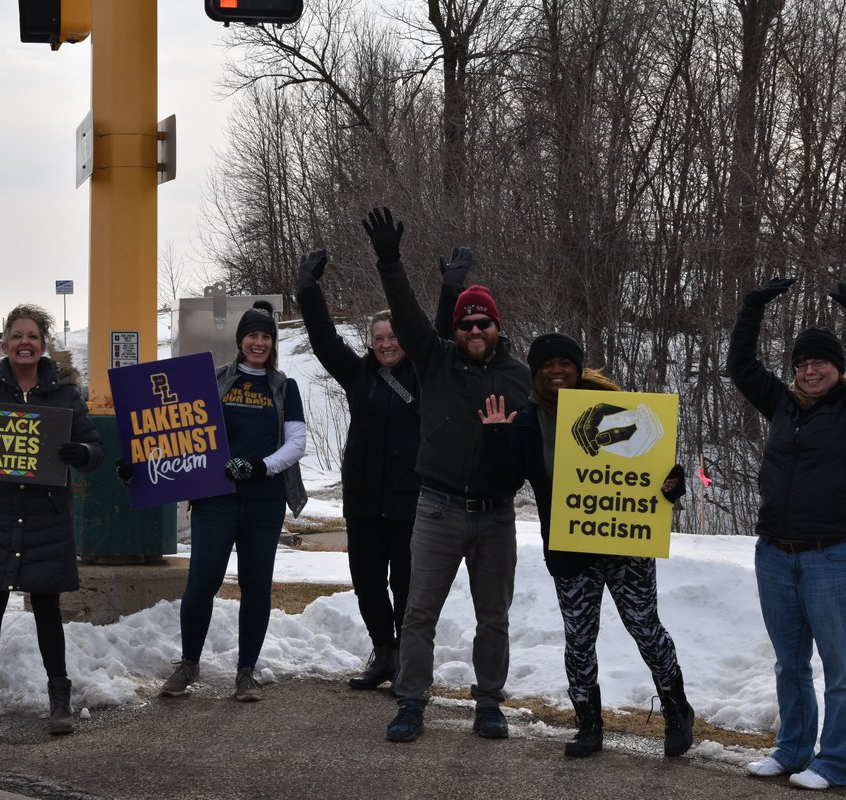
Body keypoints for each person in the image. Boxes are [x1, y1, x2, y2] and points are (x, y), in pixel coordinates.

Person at [728, 277, 846, 790]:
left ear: (837, 367)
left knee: (842, 671)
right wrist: (753, 304)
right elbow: (741, 365)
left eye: (820, 362)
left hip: (835, 557)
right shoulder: (783, 406)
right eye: (803, 363)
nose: (810, 369)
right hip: (776, 553)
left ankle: (833, 764)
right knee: (790, 665)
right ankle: (792, 751)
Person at [478, 332, 692, 758]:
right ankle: (588, 724)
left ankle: (676, 709)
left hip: (625, 544)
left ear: (578, 367)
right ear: (536, 372)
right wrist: (496, 440)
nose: (557, 371)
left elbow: (650, 472)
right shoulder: (526, 421)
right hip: (570, 549)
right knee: (579, 639)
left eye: (565, 363)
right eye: (547, 365)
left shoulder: (621, 410)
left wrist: (672, 484)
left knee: (645, 629)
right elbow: (501, 483)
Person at [361, 207, 532, 742]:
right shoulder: (435, 360)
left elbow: (563, 437)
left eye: (483, 322)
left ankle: (488, 705)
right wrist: (389, 260)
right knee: (418, 615)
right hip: (435, 508)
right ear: (455, 329)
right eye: (466, 323)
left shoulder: (519, 376)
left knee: (494, 619)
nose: (475, 329)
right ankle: (411, 701)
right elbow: (409, 314)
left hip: (496, 514)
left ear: (497, 326)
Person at [0, 304, 103, 735]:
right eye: (17, 336)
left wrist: (81, 453)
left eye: (32, 336)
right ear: (5, 344)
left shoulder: (66, 397)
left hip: (45, 519)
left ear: (43, 345)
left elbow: (95, 449)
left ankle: (59, 704)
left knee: (47, 607)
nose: (24, 343)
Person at [156, 300, 307, 702]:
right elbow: (174, 428)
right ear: (240, 341)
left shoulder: (283, 387)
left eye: (265, 337)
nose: (258, 343)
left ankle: (245, 673)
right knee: (201, 583)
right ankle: (188, 665)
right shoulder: (215, 380)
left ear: (273, 343)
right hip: (215, 499)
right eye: (251, 336)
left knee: (256, 588)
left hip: (264, 501)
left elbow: (296, 444)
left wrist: (258, 467)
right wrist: (138, 461)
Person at [295, 249, 421, 689]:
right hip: (365, 499)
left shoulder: (425, 375)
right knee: (367, 583)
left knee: (406, 586)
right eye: (379, 338)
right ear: (371, 342)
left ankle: (407, 658)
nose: (387, 344)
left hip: (409, 501)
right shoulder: (358, 374)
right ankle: (383, 653)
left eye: (393, 336)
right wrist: (308, 290)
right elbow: (326, 340)